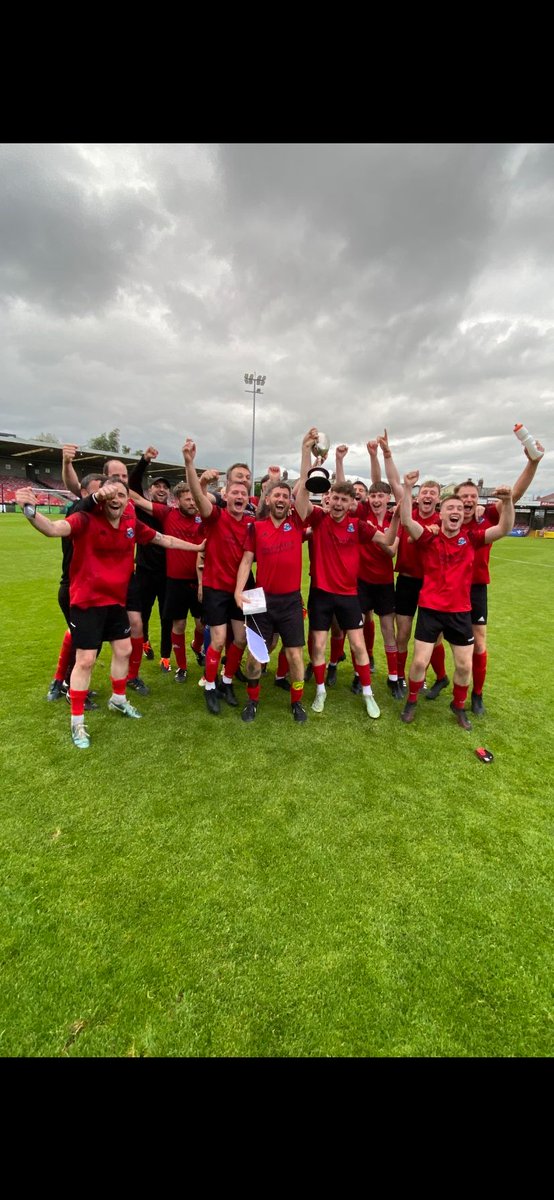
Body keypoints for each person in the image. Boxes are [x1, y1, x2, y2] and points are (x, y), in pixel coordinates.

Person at [16, 481, 205, 749]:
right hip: (86, 601)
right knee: (86, 660)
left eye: (122, 495)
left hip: (115, 602)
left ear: (128, 500)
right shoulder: (85, 519)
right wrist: (29, 510)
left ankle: (118, 699)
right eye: (112, 494)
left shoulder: (130, 523)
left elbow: (163, 539)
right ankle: (77, 722)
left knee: (124, 649)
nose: (117, 499)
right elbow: (53, 529)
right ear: (103, 499)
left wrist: (197, 547)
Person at [398, 472, 514, 729]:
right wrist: (407, 488)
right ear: (440, 514)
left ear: (464, 515)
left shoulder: (472, 538)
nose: (455, 511)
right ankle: (412, 700)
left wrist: (507, 502)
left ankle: (459, 705)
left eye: (459, 509)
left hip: (460, 612)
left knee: (464, 666)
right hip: (430, 609)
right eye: (449, 507)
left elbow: (504, 528)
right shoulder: (429, 538)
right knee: (419, 662)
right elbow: (406, 519)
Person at [296, 463, 399, 720]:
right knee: (318, 645)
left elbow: (387, 541)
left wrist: (396, 518)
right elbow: (300, 502)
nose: (339, 504)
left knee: (357, 644)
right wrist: (306, 456)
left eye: (344, 499)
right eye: (335, 499)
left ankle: (367, 693)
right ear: (328, 500)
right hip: (321, 593)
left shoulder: (358, 526)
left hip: (348, 595)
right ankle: (320, 690)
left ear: (352, 502)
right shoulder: (318, 518)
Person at [448, 440, 544, 715]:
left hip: (476, 587)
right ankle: (441, 680)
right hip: (448, 589)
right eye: (463, 497)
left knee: (479, 642)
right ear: (455, 501)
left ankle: (477, 694)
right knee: (434, 639)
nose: (467, 501)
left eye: (472, 496)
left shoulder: (487, 516)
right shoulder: (449, 518)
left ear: (477, 499)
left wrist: (532, 462)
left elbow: (513, 496)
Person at [233, 431, 314, 724]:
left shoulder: (297, 523)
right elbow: (246, 561)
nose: (281, 499)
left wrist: (304, 450)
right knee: (256, 658)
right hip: (259, 600)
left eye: (285, 496)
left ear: (290, 501)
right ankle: (252, 702)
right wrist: (238, 591)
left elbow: (304, 486)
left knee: (294, 658)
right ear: (268, 499)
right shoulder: (256, 527)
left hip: (290, 601)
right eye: (276, 495)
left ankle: (296, 703)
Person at [62, 447, 150, 697]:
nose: (122, 481)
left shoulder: (127, 505)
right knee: (84, 646)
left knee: (132, 628)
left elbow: (153, 536)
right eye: (117, 476)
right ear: (103, 480)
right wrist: (67, 461)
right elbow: (75, 489)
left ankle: (126, 683)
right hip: (82, 581)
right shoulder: (92, 506)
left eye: (125, 477)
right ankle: (65, 682)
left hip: (120, 582)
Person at [183, 439, 253, 715]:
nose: (239, 496)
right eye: (235, 491)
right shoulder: (215, 516)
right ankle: (210, 685)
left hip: (242, 588)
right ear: (225, 494)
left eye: (244, 493)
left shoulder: (251, 524)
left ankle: (226, 681)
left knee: (242, 638)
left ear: (248, 499)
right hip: (216, 588)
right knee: (220, 639)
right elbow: (199, 497)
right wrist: (190, 465)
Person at [129, 479, 206, 682]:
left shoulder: (203, 516)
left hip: (200, 580)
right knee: (178, 625)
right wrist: (118, 485)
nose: (192, 503)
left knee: (202, 625)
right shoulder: (167, 513)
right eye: (188, 499)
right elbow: (136, 499)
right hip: (175, 582)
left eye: (194, 499)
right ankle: (182, 667)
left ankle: (197, 647)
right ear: (177, 500)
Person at [45, 471, 104, 706]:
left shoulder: (101, 517)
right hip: (73, 587)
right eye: (97, 492)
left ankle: (62, 682)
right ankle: (69, 686)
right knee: (84, 642)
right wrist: (67, 463)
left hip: (94, 589)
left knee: (80, 637)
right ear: (84, 493)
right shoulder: (79, 511)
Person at [393, 478, 445, 693]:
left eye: (433, 492)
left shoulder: (443, 521)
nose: (428, 495)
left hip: (431, 585)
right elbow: (407, 535)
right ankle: (399, 677)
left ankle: (423, 675)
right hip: (406, 581)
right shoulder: (408, 515)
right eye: (425, 491)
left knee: (432, 636)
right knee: (403, 633)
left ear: (438, 498)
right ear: (418, 496)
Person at [128, 446, 174, 671]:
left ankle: (166, 656)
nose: (162, 489)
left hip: (167, 574)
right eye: (157, 485)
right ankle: (144, 640)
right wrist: (144, 460)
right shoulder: (141, 509)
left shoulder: (171, 514)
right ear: (151, 489)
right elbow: (132, 485)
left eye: (166, 487)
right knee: (143, 612)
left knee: (167, 616)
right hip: (145, 571)